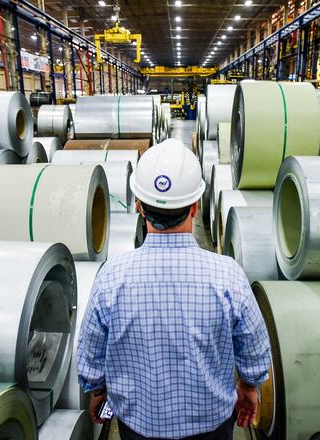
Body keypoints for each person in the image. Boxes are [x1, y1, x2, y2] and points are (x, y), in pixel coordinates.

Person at [77, 139, 272, 439]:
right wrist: (248, 388)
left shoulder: (111, 277)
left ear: (140, 207)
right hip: (211, 427)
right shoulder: (228, 275)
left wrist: (97, 391)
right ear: (195, 208)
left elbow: (90, 353)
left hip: (138, 427)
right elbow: (255, 349)